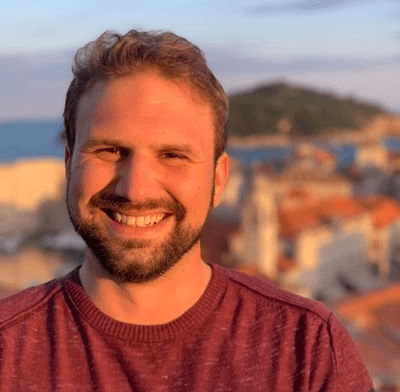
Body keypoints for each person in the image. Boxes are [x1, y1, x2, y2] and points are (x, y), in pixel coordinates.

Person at [0, 30, 374, 392]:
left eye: (172, 155)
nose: (135, 189)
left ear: (219, 179)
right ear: (69, 166)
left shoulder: (308, 350)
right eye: (109, 151)